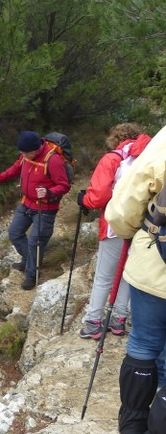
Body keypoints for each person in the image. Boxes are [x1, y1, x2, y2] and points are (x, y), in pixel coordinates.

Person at [105, 125, 166, 434]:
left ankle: (131, 430)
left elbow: (126, 203)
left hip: (155, 265)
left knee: (143, 342)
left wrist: (132, 230)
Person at [77, 123, 152, 339]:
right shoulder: (148, 158)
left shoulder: (113, 159)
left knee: (104, 276)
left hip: (115, 225)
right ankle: (119, 319)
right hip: (143, 226)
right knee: (128, 273)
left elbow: (98, 196)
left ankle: (93, 322)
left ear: (117, 138)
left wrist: (84, 199)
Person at [0, 131, 71, 290]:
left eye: (26, 153)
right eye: (22, 153)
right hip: (27, 203)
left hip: (45, 208)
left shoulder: (52, 160)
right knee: (14, 233)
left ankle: (31, 275)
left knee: (35, 242)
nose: (23, 156)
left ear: (37, 149)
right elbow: (15, 168)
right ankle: (29, 259)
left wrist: (49, 192)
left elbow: (64, 185)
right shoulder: (26, 156)